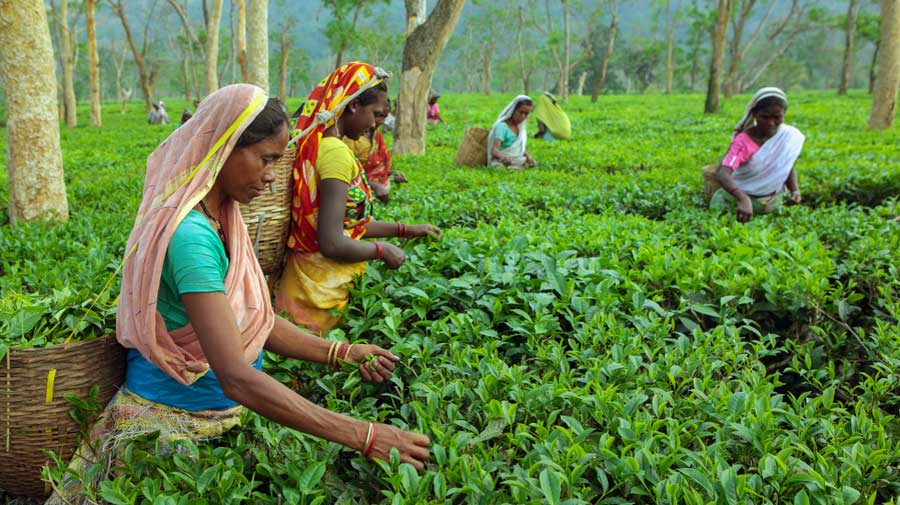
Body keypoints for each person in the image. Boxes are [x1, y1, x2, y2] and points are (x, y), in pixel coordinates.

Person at [47, 84, 430, 504]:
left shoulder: (223, 216)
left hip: (225, 416)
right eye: (266, 160)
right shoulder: (191, 236)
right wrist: (365, 435)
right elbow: (235, 375)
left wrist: (340, 352)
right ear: (225, 146)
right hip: (172, 423)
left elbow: (254, 321)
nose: (270, 178)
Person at [275, 62, 441, 334]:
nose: (376, 124)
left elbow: (348, 225)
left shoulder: (328, 148)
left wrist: (407, 231)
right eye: (375, 114)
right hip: (318, 296)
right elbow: (331, 241)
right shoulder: (335, 154)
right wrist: (382, 250)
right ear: (353, 106)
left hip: (316, 286)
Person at [706, 87, 804, 223]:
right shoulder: (743, 142)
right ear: (755, 114)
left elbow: (786, 166)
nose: (771, 122)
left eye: (777, 117)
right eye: (765, 116)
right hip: (736, 205)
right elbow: (722, 174)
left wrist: (795, 190)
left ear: (784, 114)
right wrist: (743, 199)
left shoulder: (787, 136)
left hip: (771, 204)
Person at [343, 97, 407, 202]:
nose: (381, 121)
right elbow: (347, 174)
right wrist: (373, 185)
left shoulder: (376, 134)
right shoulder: (350, 138)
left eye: (385, 117)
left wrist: (392, 173)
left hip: (379, 189)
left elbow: (378, 165)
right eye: (378, 116)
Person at [487, 95, 536, 169]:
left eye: (526, 114)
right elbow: (494, 150)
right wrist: (503, 158)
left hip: (516, 160)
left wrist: (529, 157)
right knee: (500, 167)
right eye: (521, 112)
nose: (523, 116)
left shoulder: (520, 128)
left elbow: (520, 147)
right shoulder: (502, 126)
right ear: (513, 110)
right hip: (501, 161)